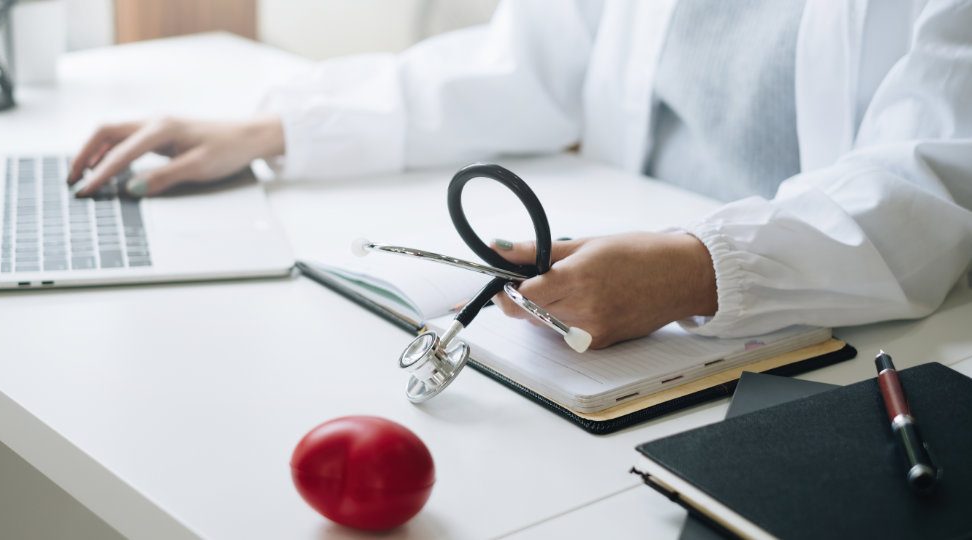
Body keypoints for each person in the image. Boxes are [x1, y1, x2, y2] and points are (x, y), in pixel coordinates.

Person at [68, 1, 972, 348]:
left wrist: (697, 267)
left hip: (851, 344)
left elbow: (928, 183)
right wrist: (273, 129)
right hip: (633, 338)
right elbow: (527, 61)